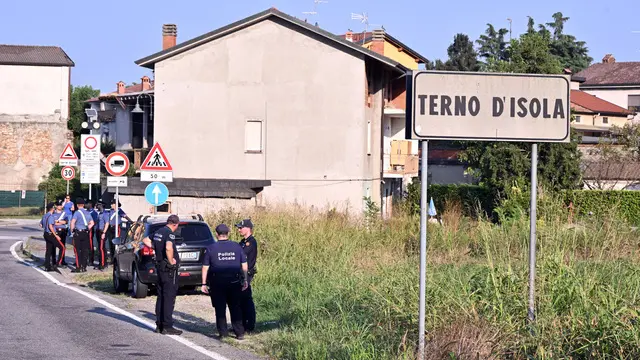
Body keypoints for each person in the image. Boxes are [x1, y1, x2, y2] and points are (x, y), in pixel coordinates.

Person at [201, 224, 249, 340]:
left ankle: (223, 333)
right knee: (235, 307)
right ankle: (239, 332)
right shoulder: (237, 246)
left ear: (216, 234)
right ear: (228, 233)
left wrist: (203, 284)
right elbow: (244, 265)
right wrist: (245, 279)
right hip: (234, 281)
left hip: (217, 283)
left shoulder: (211, 248)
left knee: (220, 308)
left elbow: (205, 267)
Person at [141, 214, 183, 335]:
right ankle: (167, 326)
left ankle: (159, 325)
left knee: (161, 296)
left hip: (160, 267)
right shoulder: (169, 233)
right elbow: (169, 248)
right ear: (175, 224)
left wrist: (156, 248)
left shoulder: (159, 231)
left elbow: (145, 240)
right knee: (169, 297)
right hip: (168, 269)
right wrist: (171, 261)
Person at [235, 219, 258, 333]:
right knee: (241, 300)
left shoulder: (251, 242)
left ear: (248, 228)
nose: (239, 230)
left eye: (241, 227)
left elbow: (241, 255)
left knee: (247, 300)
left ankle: (249, 325)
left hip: (246, 274)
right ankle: (242, 324)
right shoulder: (243, 242)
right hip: (240, 274)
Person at [103, 199, 133, 264]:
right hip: (110, 228)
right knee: (111, 243)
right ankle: (112, 258)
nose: (111, 205)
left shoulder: (119, 211)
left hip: (117, 228)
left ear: (116, 204)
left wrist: (131, 221)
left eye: (112, 204)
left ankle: (117, 258)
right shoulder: (110, 211)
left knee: (116, 243)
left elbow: (125, 216)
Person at [70, 198, 94, 273]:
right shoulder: (88, 213)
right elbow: (92, 223)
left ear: (77, 205)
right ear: (83, 205)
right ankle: (84, 267)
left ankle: (78, 267)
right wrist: (88, 228)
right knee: (84, 250)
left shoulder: (77, 213)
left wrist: (72, 231)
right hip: (85, 233)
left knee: (77, 250)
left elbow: (72, 222)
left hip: (78, 233)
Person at [40, 202, 57, 271]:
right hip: (50, 234)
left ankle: (47, 265)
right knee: (53, 249)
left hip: (45, 233)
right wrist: (56, 235)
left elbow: (41, 225)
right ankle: (53, 264)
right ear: (52, 208)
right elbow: (51, 226)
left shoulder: (44, 216)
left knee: (48, 250)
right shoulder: (51, 216)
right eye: (54, 207)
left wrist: (45, 227)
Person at [52, 199, 69, 267]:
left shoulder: (64, 213)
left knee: (63, 246)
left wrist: (58, 222)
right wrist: (60, 222)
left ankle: (62, 260)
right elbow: (52, 222)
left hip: (63, 230)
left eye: (61, 205)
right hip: (55, 231)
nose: (60, 206)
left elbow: (66, 221)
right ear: (56, 206)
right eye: (58, 205)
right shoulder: (53, 213)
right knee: (54, 246)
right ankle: (53, 260)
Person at [95, 201, 108, 270]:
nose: (97, 206)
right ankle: (102, 263)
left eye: (98, 205)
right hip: (98, 231)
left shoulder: (105, 214)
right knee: (100, 248)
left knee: (101, 248)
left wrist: (104, 233)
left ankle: (102, 264)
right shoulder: (99, 213)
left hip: (102, 232)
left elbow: (107, 224)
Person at [87, 201, 99, 267]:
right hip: (84, 229)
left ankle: (91, 260)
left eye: (87, 204)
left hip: (90, 230)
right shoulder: (87, 212)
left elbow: (95, 221)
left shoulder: (93, 213)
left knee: (90, 245)